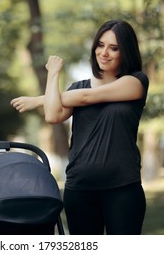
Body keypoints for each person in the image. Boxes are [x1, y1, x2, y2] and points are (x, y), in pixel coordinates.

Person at [10, 20, 149, 235]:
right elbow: (53, 114)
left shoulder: (135, 82)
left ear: (126, 51)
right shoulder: (77, 88)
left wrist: (38, 99)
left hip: (122, 188)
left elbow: (86, 98)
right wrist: (53, 74)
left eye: (114, 48)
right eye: (100, 45)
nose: (104, 53)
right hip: (80, 188)